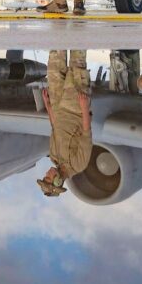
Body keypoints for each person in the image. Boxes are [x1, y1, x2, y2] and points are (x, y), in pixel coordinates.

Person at [37, 50, 93, 197]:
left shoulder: (54, 157)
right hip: (75, 108)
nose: (47, 173)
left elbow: (55, 127)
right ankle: (78, 28)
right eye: (47, 177)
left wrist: (48, 105)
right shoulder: (78, 164)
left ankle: (59, 30)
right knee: (77, 65)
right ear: (57, 182)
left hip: (57, 106)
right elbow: (87, 133)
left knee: (54, 67)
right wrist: (84, 107)